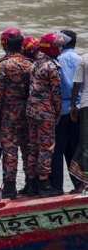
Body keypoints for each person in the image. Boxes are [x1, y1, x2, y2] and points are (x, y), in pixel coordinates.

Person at [0, 32, 33, 199]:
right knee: (27, 148)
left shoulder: (3, 65)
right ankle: (31, 183)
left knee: (10, 150)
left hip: (9, 113)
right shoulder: (30, 63)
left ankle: (9, 187)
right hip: (28, 112)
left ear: (4, 44)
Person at [25, 33, 63, 197]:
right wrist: (58, 112)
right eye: (57, 45)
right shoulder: (51, 67)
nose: (60, 48)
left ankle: (31, 183)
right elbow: (56, 94)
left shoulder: (34, 64)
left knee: (33, 147)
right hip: (45, 111)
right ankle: (44, 184)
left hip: (31, 110)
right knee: (46, 148)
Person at [51, 30, 82, 193]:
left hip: (62, 110)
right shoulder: (80, 59)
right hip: (78, 110)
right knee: (74, 148)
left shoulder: (58, 60)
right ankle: (79, 184)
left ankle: (56, 187)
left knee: (57, 150)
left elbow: (65, 86)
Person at [69, 50, 88, 192]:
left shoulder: (84, 59)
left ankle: (83, 182)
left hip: (86, 105)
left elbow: (76, 84)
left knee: (85, 143)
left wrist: (73, 106)